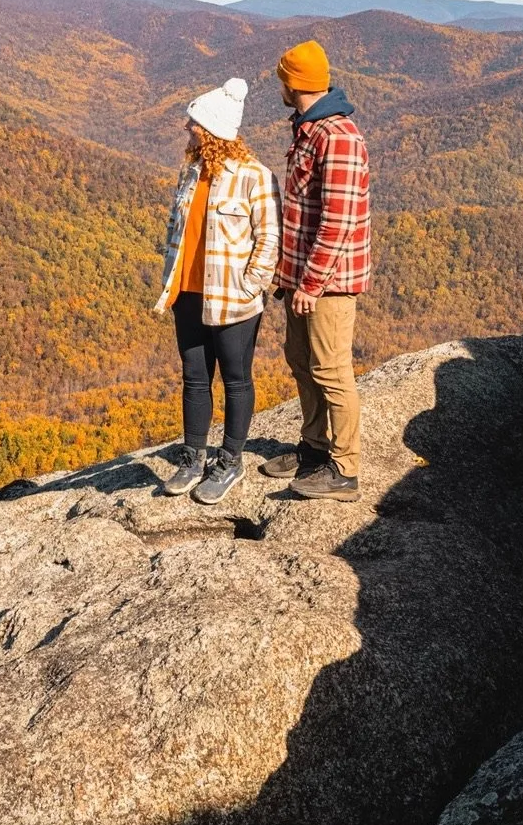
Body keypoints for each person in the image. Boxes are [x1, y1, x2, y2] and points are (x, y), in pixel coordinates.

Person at [154, 78, 281, 505]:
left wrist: (251, 285)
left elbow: (269, 239)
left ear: (210, 130)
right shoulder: (190, 173)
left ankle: (229, 459)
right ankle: (193, 458)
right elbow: (180, 232)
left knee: (235, 379)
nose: (185, 126)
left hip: (234, 298)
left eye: (193, 122)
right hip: (188, 294)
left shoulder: (254, 178)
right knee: (194, 379)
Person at [262, 39, 370, 501]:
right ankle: (313, 447)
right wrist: (288, 277)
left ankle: (344, 470)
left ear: (295, 83)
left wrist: (309, 282)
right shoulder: (309, 129)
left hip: (328, 282)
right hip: (303, 278)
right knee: (301, 362)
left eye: (283, 79)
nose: (280, 87)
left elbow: (338, 220)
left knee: (330, 369)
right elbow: (302, 214)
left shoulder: (338, 136)